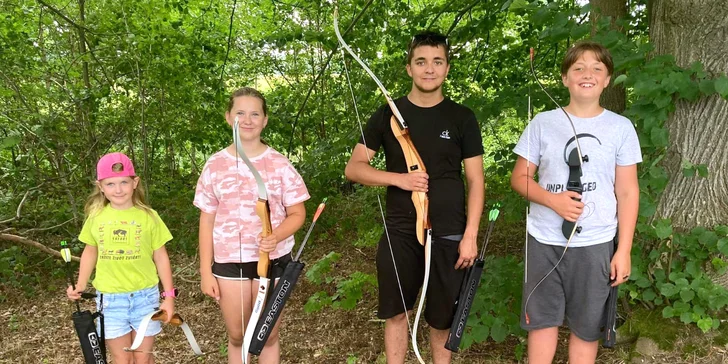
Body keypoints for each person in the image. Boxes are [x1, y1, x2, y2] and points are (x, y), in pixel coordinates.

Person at [344, 32, 485, 364]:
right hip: (401, 231)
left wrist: (471, 235)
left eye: (437, 62)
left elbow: (476, 181)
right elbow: (355, 168)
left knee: (441, 320)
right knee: (396, 313)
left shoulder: (462, 117)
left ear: (447, 68)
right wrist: (400, 180)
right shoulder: (387, 115)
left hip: (450, 232)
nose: (429, 69)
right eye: (421, 62)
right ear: (409, 68)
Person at [511, 41, 642, 364]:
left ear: (608, 79)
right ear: (564, 78)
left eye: (597, 68)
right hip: (544, 241)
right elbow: (520, 178)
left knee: (586, 329)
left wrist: (622, 250)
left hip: (596, 243)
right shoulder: (543, 123)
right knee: (541, 322)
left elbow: (627, 192)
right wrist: (552, 201)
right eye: (578, 68)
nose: (588, 74)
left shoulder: (620, 128)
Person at [194, 87, 309, 364]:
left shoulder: (279, 164)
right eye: (240, 113)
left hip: (273, 260)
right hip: (229, 263)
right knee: (238, 336)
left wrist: (276, 236)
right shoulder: (215, 165)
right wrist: (205, 272)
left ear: (265, 119)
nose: (247, 120)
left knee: (267, 335)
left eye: (255, 113)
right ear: (228, 117)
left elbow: (297, 213)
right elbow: (206, 218)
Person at [66, 152, 176, 364]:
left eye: (124, 182)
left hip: (145, 298)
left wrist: (169, 296)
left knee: (143, 358)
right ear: (101, 187)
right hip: (110, 299)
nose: (118, 189)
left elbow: (161, 256)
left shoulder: (149, 216)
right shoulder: (96, 217)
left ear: (135, 183)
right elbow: (91, 251)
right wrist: (80, 284)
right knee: (122, 358)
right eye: (111, 184)